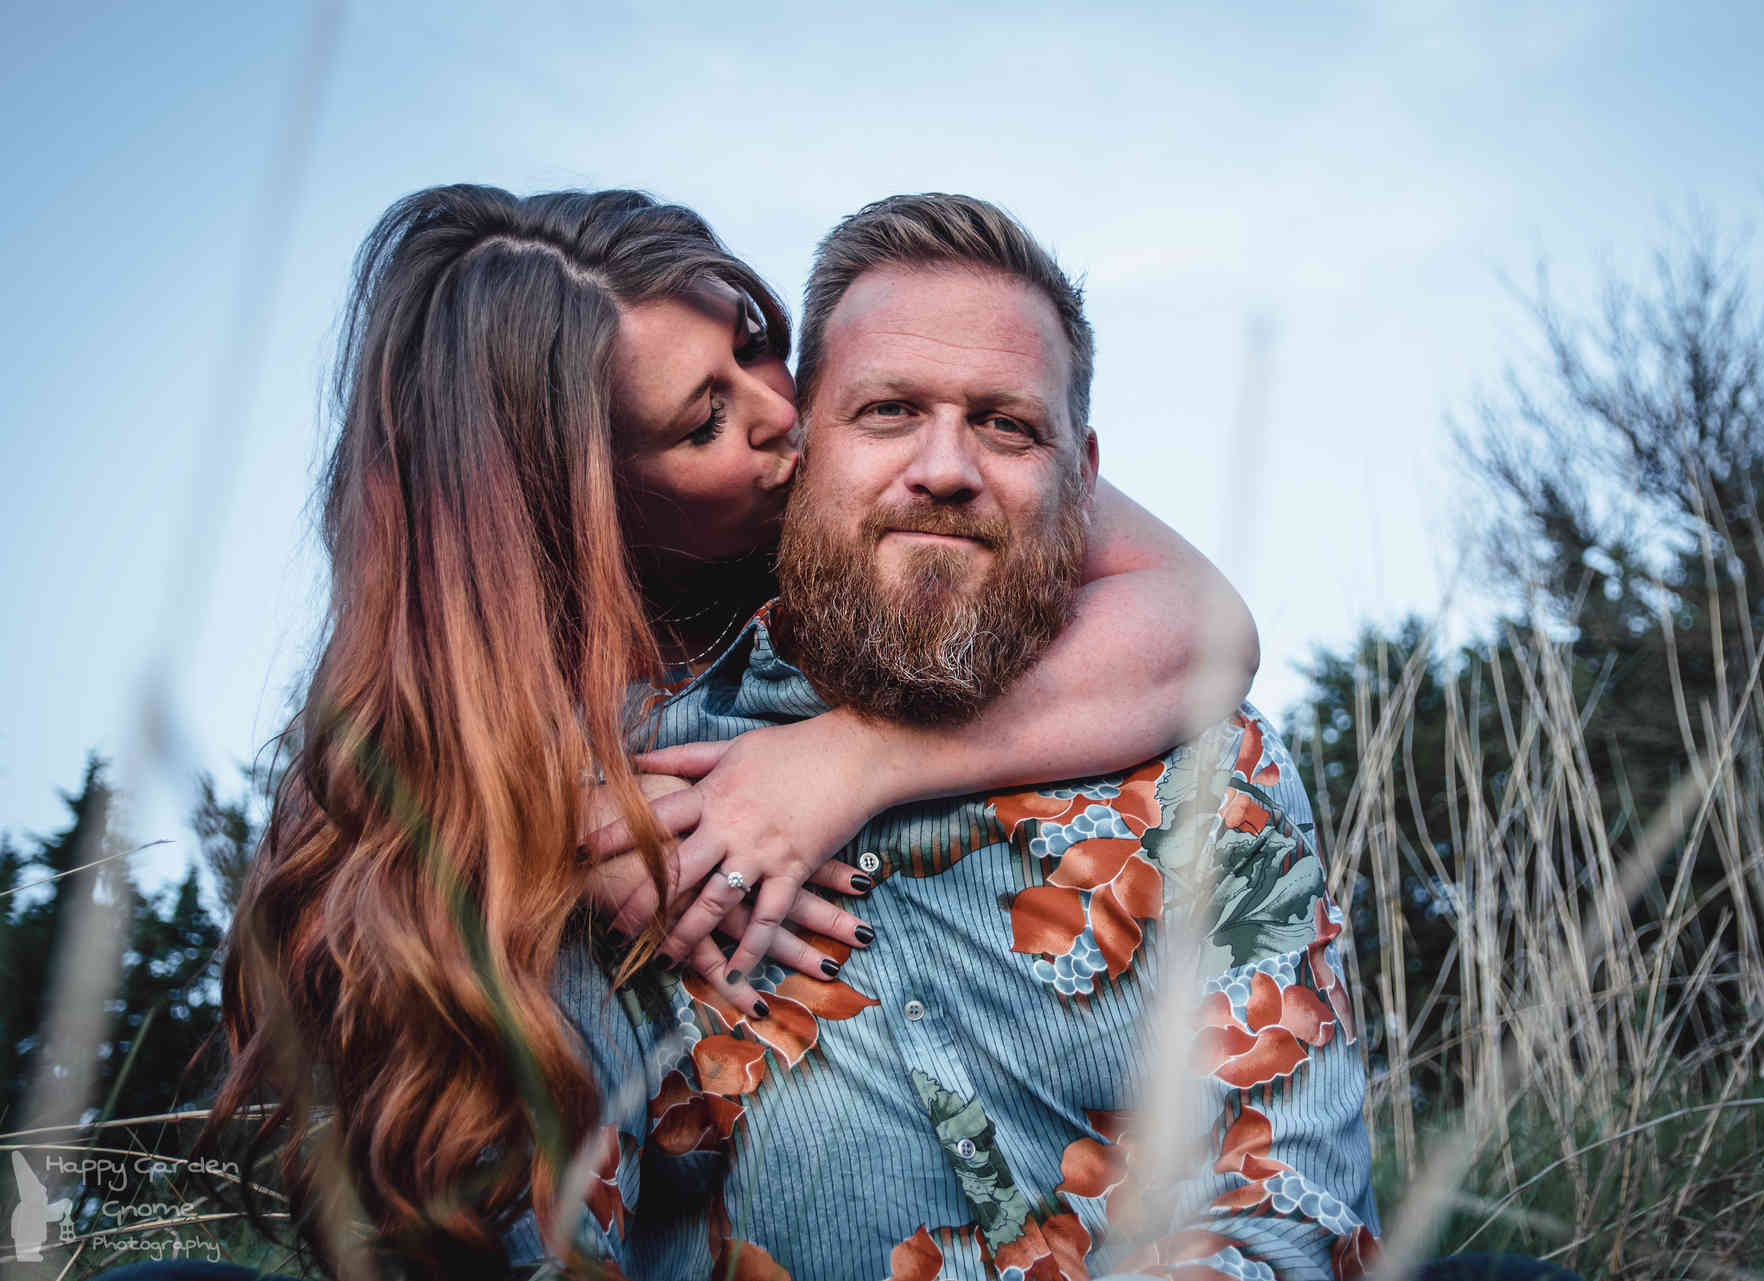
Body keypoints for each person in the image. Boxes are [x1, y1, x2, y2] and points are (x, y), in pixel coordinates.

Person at [199, 185, 1263, 1279]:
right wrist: (560, 825)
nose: (781, 414)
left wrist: (849, 760)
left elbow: (1205, 623)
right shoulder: (461, 750)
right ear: (581, 500)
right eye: (703, 420)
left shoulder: (889, 470)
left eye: (756, 346)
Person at [506, 193, 1382, 1281]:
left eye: (1008, 425)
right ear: (807, 446)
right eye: (887, 411)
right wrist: (538, 826)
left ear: (1082, 474)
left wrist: (859, 755)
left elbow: (1290, 1220)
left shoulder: (1204, 762)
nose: (947, 467)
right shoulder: (638, 814)